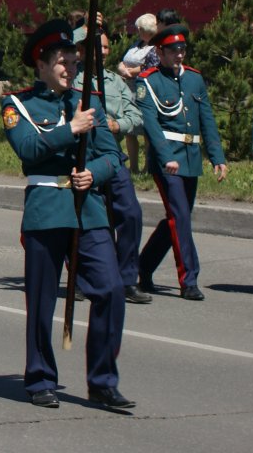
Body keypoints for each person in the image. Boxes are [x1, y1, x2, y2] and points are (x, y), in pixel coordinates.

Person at [4, 20, 132, 411]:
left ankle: (102, 381)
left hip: (88, 209)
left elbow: (114, 156)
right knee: (42, 301)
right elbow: (27, 148)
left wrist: (97, 173)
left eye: (73, 62)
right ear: (40, 64)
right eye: (62, 61)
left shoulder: (88, 101)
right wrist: (70, 130)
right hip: (46, 210)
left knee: (110, 289)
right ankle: (41, 377)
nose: (69, 68)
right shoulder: (18, 104)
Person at [134, 25, 226, 301]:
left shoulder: (194, 79)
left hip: (191, 157)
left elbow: (207, 119)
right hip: (167, 159)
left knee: (176, 218)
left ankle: (143, 266)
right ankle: (189, 279)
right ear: (160, 52)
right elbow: (150, 124)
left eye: (182, 49)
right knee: (181, 217)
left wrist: (217, 157)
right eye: (173, 50)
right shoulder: (148, 81)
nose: (179, 54)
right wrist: (166, 157)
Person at [77, 24, 151, 304]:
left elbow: (136, 115)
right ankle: (84, 278)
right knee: (88, 221)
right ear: (82, 50)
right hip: (84, 158)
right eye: (98, 46)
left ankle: (127, 278)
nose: (104, 51)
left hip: (112, 157)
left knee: (130, 214)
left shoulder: (116, 81)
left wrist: (117, 124)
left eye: (107, 46)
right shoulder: (74, 79)